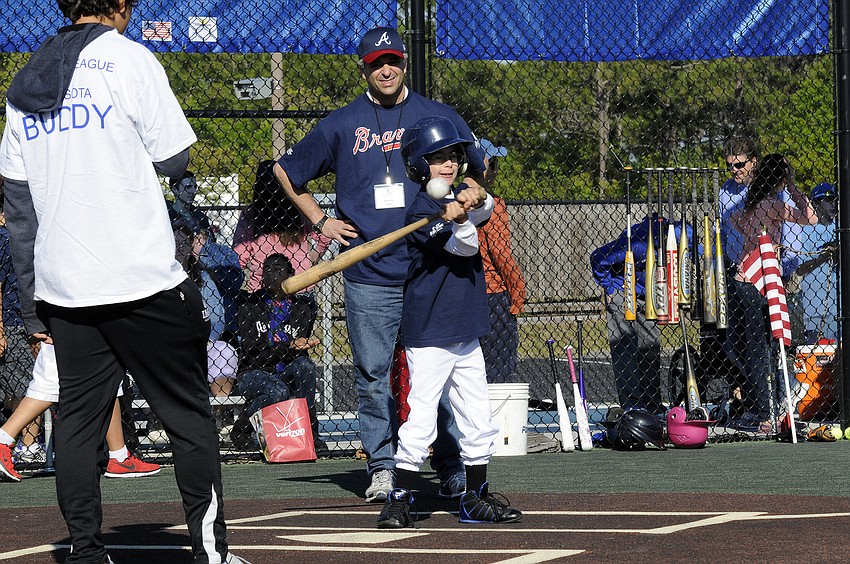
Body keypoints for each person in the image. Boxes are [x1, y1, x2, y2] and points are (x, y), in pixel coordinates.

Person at [0, 1, 238, 561]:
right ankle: (212, 554)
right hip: (141, 277)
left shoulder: (27, 78)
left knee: (78, 424)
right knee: (186, 417)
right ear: (121, 7)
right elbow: (176, 158)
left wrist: (33, 302)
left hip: (64, 286)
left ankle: (85, 552)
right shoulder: (130, 59)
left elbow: (18, 200)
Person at [273, 26, 485, 503]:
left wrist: (471, 190)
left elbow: (477, 162)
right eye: (375, 63)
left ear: (404, 62)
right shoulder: (343, 123)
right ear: (363, 68)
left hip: (432, 268)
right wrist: (321, 221)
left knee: (439, 374)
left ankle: (448, 463)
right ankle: (383, 467)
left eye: (392, 60)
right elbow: (287, 169)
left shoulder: (435, 114)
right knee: (372, 376)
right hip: (370, 272)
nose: (385, 69)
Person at [377, 115, 521, 529]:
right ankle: (400, 498)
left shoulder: (461, 193)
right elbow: (463, 247)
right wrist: (457, 216)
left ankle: (475, 497)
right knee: (421, 416)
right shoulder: (418, 211)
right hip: (431, 330)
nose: (448, 164)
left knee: (478, 415)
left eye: (453, 156)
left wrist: (473, 199)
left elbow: (489, 207)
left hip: (465, 326)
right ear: (420, 165)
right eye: (437, 158)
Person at [726, 153, 818, 432]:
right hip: (758, 279)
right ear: (780, 178)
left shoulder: (751, 202)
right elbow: (811, 218)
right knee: (762, 348)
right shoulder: (776, 204)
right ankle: (764, 411)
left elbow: (735, 222)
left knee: (752, 347)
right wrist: (793, 189)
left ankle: (761, 408)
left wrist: (755, 238)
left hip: (743, 278)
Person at [0, 344, 161, 482]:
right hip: (69, 321)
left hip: (80, 321)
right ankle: (3, 439)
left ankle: (119, 456)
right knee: (48, 384)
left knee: (109, 380)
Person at [590, 214, 690, 415]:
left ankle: (652, 405)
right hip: (624, 291)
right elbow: (598, 257)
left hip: (651, 295)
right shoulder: (638, 240)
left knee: (650, 348)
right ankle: (632, 406)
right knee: (625, 349)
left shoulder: (684, 235)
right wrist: (611, 288)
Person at [235, 254, 326, 452]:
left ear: (291, 275)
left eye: (277, 270)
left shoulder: (303, 307)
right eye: (266, 270)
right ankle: (240, 431)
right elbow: (253, 354)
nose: (271, 274)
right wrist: (288, 346)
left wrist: (296, 346)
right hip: (253, 372)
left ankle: (311, 432)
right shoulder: (251, 305)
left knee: (305, 366)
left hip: (285, 369)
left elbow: (297, 350)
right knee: (278, 391)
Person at [232, 160, 331, 328]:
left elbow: (240, 256)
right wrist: (310, 261)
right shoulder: (299, 208)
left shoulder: (252, 213)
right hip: (300, 285)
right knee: (295, 342)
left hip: (262, 291)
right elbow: (325, 235)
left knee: (265, 344)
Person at [476, 139, 526, 383]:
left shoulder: (450, 201)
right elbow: (500, 254)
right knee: (497, 366)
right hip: (492, 294)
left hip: (463, 293)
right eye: (490, 163)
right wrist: (517, 289)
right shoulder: (492, 206)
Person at [792, 183, 838, 344]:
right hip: (815, 308)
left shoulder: (840, 228)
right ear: (815, 203)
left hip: (839, 306)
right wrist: (826, 254)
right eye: (828, 200)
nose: (833, 203)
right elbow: (800, 268)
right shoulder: (805, 229)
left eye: (835, 199)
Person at [167, 170, 212, 235]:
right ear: (175, 190)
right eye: (188, 187)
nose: (193, 191)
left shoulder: (200, 217)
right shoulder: (166, 216)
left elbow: (211, 241)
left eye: (195, 187)